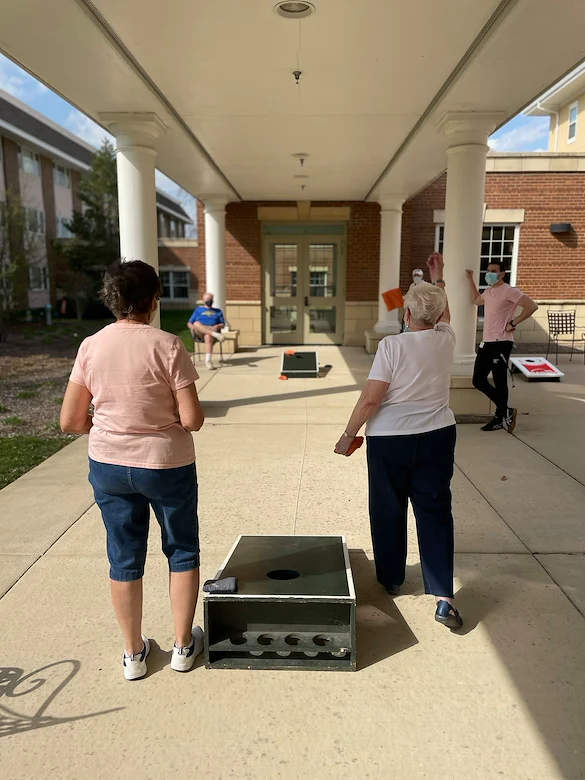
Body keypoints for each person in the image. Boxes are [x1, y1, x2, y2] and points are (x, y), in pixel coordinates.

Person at [60, 260, 205, 681]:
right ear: (153, 299)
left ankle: (133, 654)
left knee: (123, 559)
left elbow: (70, 420)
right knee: (182, 550)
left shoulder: (90, 346)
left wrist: (108, 427)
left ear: (112, 300)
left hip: (108, 462)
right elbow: (192, 419)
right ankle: (182, 646)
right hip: (165, 464)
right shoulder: (168, 345)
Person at [335, 253, 463, 630]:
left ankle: (392, 578)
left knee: (388, 508)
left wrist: (348, 435)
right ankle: (443, 595)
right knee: (436, 510)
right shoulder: (446, 338)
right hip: (439, 435)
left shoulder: (392, 347)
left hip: (391, 440)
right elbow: (446, 314)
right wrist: (439, 280)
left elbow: (371, 398)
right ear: (438, 317)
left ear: (407, 315)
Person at [466, 261, 538, 433]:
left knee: (499, 380)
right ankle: (505, 411)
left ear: (502, 273)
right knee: (478, 379)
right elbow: (476, 300)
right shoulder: (489, 291)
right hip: (487, 341)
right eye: (488, 271)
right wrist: (470, 279)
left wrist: (514, 322)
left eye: (493, 271)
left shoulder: (509, 291)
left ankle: (500, 417)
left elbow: (532, 306)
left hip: (501, 341)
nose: (489, 273)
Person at [188, 292, 226, 370]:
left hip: (212, 330)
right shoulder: (198, 310)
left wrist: (217, 326)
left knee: (208, 336)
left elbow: (223, 324)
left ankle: (208, 360)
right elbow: (189, 323)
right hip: (199, 332)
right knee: (196, 323)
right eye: (208, 299)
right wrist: (192, 327)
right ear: (204, 300)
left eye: (211, 299)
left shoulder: (218, 311)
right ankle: (215, 335)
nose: (209, 301)